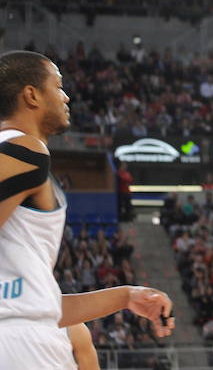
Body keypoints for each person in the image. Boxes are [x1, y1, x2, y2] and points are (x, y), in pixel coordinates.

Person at [0, 50, 174, 369]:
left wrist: (125, 296)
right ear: (31, 95)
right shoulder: (24, 148)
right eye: (58, 85)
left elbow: (31, 306)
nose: (66, 97)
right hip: (23, 347)